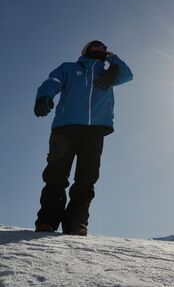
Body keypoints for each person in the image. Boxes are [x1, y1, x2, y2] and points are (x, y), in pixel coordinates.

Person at [33, 40, 133, 236]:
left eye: (104, 47)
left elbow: (128, 74)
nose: (101, 48)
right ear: (86, 50)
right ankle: (47, 220)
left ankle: (76, 222)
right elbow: (53, 82)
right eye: (96, 46)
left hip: (95, 130)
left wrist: (113, 62)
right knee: (56, 175)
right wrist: (44, 95)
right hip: (65, 128)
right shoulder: (69, 68)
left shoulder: (109, 73)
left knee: (87, 178)